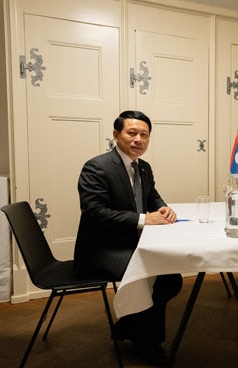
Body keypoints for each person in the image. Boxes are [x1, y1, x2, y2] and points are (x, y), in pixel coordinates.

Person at [74, 110, 182, 366]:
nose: (138, 139)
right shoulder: (96, 167)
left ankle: (128, 325)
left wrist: (162, 207)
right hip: (101, 250)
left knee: (171, 278)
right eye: (132, 133)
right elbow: (94, 213)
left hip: (132, 244)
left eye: (144, 135)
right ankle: (147, 342)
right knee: (152, 274)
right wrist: (145, 219)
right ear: (116, 135)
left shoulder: (143, 167)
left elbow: (152, 196)